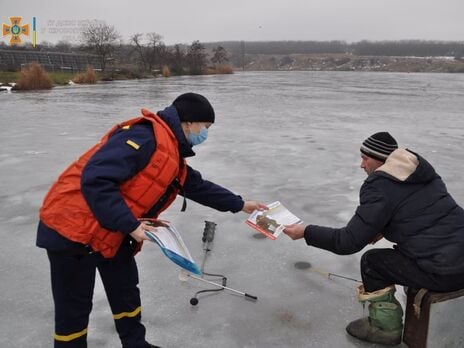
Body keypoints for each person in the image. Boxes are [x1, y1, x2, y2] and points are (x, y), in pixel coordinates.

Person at [37, 92, 267, 348]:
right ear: (189, 122)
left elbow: (196, 186)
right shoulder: (143, 138)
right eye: (206, 127)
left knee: (126, 294)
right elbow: (96, 179)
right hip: (72, 231)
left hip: (113, 231)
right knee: (74, 311)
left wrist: (240, 204)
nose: (205, 134)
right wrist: (132, 225)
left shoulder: (170, 152)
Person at [283, 132, 464, 346]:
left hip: (445, 273)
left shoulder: (378, 186)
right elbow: (420, 214)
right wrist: (384, 227)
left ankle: (385, 329)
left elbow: (347, 241)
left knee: (373, 262)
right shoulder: (424, 176)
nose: (362, 165)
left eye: (365, 158)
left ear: (380, 160)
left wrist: (306, 232)